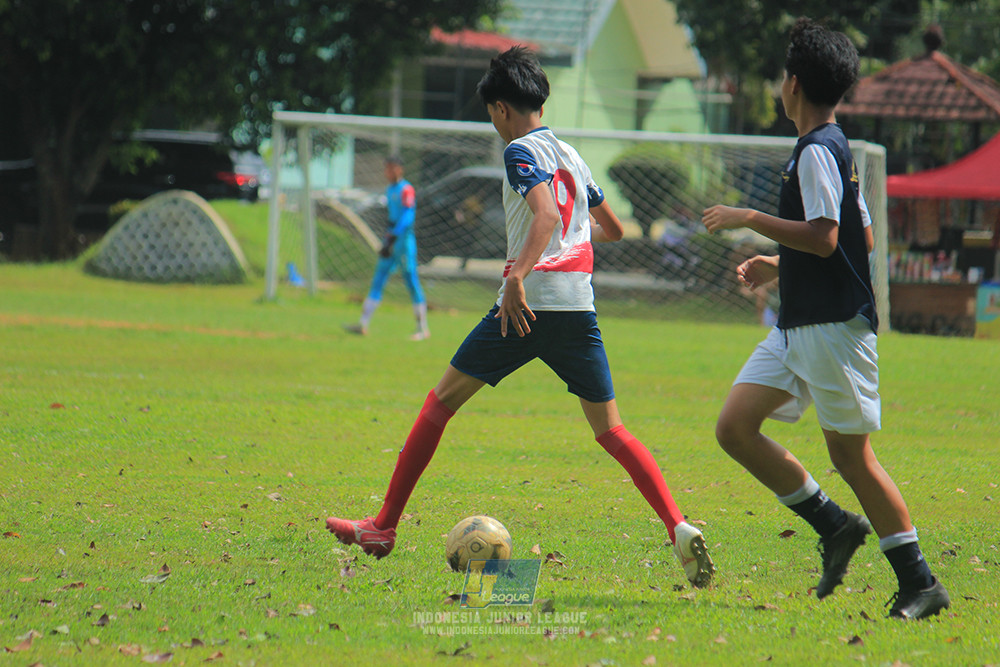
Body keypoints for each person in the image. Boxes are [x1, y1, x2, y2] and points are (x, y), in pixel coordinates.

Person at [327, 46, 715, 588]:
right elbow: (611, 228)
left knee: (439, 404)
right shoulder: (571, 155)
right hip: (578, 310)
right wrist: (565, 242)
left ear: (503, 109)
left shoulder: (518, 152)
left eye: (491, 113)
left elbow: (546, 212)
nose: (493, 124)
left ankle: (383, 527)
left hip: (525, 307)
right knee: (612, 430)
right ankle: (677, 524)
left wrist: (518, 276)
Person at [701, 18, 949, 619]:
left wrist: (749, 217)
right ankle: (835, 525)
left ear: (792, 85)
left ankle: (921, 583)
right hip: (799, 326)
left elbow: (826, 236)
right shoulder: (833, 147)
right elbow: (856, 236)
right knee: (735, 427)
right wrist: (779, 267)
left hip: (833, 330)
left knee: (852, 456)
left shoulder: (817, 151)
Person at [345, 156, 430, 340]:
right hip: (391, 241)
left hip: (403, 242)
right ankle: (362, 324)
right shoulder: (390, 189)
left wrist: (394, 235)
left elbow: (408, 216)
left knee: (411, 280)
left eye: (391, 168)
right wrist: (388, 239)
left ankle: (422, 329)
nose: (388, 172)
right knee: (378, 278)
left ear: (400, 169)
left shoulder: (406, 189)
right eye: (386, 168)